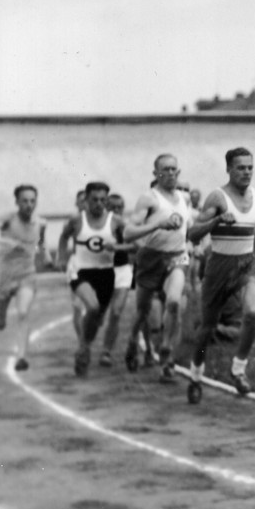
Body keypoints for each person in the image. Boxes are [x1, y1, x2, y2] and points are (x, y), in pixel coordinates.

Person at [186, 147, 255, 404]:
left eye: (250, 167)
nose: (246, 172)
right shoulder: (217, 198)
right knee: (206, 328)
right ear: (229, 169)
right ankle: (196, 374)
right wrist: (217, 221)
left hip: (245, 267)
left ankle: (238, 369)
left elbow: (253, 226)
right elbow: (193, 234)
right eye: (241, 167)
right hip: (219, 267)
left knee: (252, 313)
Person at [122, 153, 191, 381]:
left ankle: (167, 353)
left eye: (174, 169)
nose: (171, 173)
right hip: (151, 259)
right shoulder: (148, 199)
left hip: (177, 258)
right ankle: (133, 341)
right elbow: (128, 232)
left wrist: (195, 242)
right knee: (142, 311)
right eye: (165, 169)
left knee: (173, 302)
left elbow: (188, 229)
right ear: (156, 174)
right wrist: (157, 224)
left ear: (179, 172)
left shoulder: (184, 198)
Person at [57, 182, 126, 376]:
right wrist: (62, 257)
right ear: (86, 200)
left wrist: (120, 248)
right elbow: (63, 237)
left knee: (96, 319)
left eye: (103, 200)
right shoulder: (77, 221)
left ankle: (84, 346)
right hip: (80, 272)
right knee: (93, 307)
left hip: (106, 274)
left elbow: (133, 243)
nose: (99, 203)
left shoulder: (117, 222)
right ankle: (84, 347)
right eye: (94, 199)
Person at [0, 184, 50, 371]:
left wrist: (47, 256)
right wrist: (8, 241)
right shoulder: (8, 219)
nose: (29, 204)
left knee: (23, 312)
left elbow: (41, 242)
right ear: (17, 202)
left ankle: (21, 357)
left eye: (32, 200)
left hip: (27, 274)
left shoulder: (40, 222)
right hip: (3, 275)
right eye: (24, 200)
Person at [98, 193, 137, 367]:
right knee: (97, 313)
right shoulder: (99, 225)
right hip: (101, 272)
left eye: (119, 207)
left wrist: (117, 247)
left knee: (116, 312)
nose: (116, 210)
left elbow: (136, 246)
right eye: (112, 207)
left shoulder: (125, 225)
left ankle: (106, 351)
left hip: (122, 270)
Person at [66, 189, 87, 342]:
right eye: (82, 201)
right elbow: (62, 238)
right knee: (78, 306)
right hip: (78, 265)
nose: (85, 204)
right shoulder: (74, 219)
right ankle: (82, 342)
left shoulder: (102, 219)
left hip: (98, 264)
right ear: (77, 203)